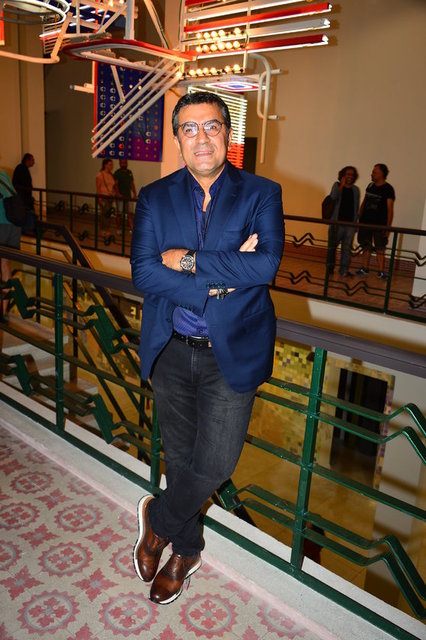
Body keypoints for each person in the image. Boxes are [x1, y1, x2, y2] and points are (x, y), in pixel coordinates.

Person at [130, 92, 285, 605]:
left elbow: (265, 266)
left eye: (212, 126)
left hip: (231, 352)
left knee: (216, 463)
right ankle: (186, 551)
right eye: (189, 128)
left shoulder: (262, 193)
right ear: (177, 139)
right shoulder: (154, 197)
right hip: (172, 349)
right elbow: (144, 272)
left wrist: (189, 260)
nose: (201, 137)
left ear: (227, 134)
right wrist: (220, 280)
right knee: (180, 459)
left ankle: (158, 519)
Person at [356, 164, 395, 280]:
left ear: (382, 174)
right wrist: (359, 216)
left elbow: (390, 209)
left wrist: (388, 227)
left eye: (374, 172)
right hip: (365, 222)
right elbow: (364, 202)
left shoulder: (388, 189)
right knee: (365, 245)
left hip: (380, 224)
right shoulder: (370, 186)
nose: (372, 174)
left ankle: (381, 271)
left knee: (380, 247)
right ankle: (365, 268)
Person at [327, 166, 360, 277]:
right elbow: (333, 197)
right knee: (332, 247)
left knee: (346, 249)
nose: (350, 177)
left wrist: (356, 225)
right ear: (343, 175)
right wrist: (341, 185)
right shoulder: (336, 186)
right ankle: (330, 269)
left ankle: (344, 271)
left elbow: (356, 208)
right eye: (347, 174)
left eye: (352, 175)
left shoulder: (356, 190)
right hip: (337, 223)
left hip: (350, 225)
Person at [0, 168, 21, 320]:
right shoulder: (3, 173)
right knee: (5, 264)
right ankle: (4, 310)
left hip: (1, 223)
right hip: (13, 224)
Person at [13, 153, 36, 230]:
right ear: (27, 160)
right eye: (32, 160)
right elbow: (23, 183)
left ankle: (31, 227)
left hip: (24, 196)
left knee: (28, 212)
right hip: (23, 197)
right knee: (27, 212)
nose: (33, 162)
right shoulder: (21, 168)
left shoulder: (22, 168)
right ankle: (29, 228)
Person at [114, 159, 137, 231]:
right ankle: (119, 229)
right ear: (119, 163)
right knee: (119, 213)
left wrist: (134, 193)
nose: (124, 164)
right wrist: (118, 194)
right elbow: (115, 185)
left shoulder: (129, 172)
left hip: (128, 196)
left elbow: (132, 184)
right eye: (122, 163)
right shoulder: (117, 173)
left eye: (125, 163)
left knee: (130, 213)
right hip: (120, 197)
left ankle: (132, 229)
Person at [96, 158, 117, 233]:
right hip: (103, 196)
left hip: (110, 197)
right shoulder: (100, 175)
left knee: (108, 214)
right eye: (110, 164)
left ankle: (106, 229)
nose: (111, 166)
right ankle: (103, 229)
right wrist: (99, 198)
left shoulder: (111, 174)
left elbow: (112, 186)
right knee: (104, 214)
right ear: (105, 165)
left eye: (112, 164)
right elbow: (98, 187)